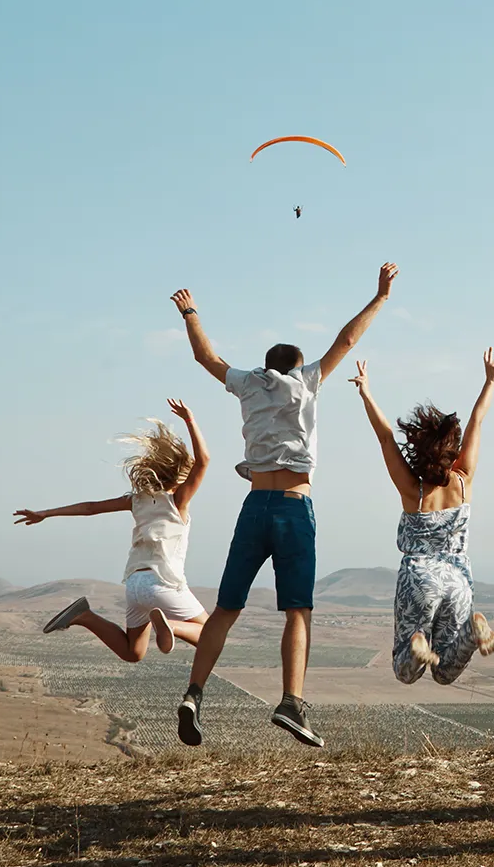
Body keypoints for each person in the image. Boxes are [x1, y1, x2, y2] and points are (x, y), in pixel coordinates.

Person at [170, 263, 398, 748]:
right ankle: (291, 702)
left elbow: (205, 357)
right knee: (298, 611)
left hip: (253, 507)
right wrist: (379, 298)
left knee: (225, 610)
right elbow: (346, 342)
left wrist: (190, 312)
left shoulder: (247, 385)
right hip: (294, 508)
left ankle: (194, 692)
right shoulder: (307, 381)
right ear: (295, 366)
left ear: (266, 365)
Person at [15, 400, 211, 661]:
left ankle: (84, 616)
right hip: (162, 583)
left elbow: (90, 507)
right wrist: (190, 420)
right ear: (179, 477)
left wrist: (46, 513)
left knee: (133, 652)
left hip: (135, 584)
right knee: (212, 635)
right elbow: (204, 461)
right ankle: (171, 627)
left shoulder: (136, 500)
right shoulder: (178, 501)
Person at [351, 351, 494, 686]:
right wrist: (490, 381)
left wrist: (366, 393)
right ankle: (473, 630)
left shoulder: (413, 492)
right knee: (445, 671)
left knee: (405, 672)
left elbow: (386, 437)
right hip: (458, 580)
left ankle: (416, 644)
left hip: (419, 577)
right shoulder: (463, 481)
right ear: (453, 451)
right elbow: (477, 420)